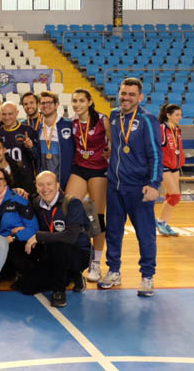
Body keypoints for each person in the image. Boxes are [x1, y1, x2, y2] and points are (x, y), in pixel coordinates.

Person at [99, 78, 162, 297]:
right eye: (123, 93)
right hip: (115, 185)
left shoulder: (147, 120)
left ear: (140, 97)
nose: (126, 98)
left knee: (145, 234)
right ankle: (114, 270)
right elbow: (115, 144)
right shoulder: (114, 115)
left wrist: (154, 184)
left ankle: (147, 276)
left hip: (139, 188)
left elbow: (155, 154)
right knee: (113, 232)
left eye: (131, 95)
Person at [22, 171, 91, 307]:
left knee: (59, 242)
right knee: (27, 288)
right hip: (53, 254)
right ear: (36, 187)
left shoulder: (72, 203)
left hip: (78, 253)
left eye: (49, 184)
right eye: (40, 185)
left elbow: (70, 237)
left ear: (57, 185)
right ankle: (70, 277)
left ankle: (60, 291)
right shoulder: (37, 203)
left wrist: (39, 236)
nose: (45, 188)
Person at [65, 88, 110, 282]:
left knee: (97, 218)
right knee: (67, 207)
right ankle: (74, 254)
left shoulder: (102, 119)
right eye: (75, 101)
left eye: (81, 101)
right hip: (79, 168)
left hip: (98, 170)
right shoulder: (72, 122)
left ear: (90, 102)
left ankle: (96, 263)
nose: (77, 104)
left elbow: (113, 143)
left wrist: (109, 153)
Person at [0, 165, 37, 282]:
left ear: (6, 182)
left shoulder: (19, 199)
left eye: (0, 179)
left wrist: (12, 237)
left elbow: (33, 229)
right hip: (0, 244)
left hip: (19, 242)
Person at [37, 91, 75, 191]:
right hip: (43, 183)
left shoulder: (68, 125)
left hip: (64, 180)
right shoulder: (37, 128)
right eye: (42, 103)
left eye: (49, 102)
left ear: (57, 105)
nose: (46, 105)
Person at [156, 104, 184, 236]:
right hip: (164, 166)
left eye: (180, 114)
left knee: (170, 196)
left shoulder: (177, 130)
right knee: (175, 196)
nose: (180, 117)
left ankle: (165, 223)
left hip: (175, 166)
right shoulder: (161, 129)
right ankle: (160, 221)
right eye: (177, 115)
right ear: (168, 115)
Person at [0, 101, 38, 178]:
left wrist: (30, 148)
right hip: (5, 179)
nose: (7, 117)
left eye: (10, 114)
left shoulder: (28, 130)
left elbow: (37, 158)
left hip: (26, 179)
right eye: (4, 114)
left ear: (17, 113)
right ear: (0, 114)